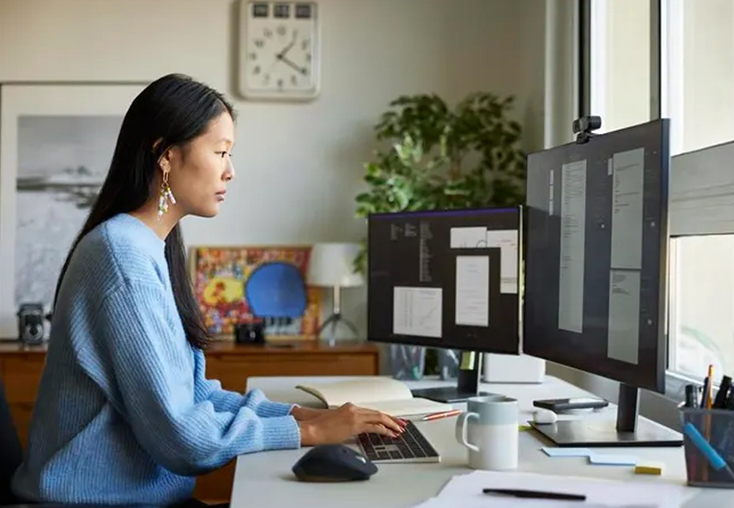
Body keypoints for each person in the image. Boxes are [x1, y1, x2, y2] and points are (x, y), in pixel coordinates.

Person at [10, 74, 405, 508]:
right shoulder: (121, 260)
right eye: (220, 152)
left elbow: (195, 395)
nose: (230, 171)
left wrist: (301, 414)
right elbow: (184, 440)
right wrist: (308, 433)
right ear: (166, 156)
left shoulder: (143, 248)